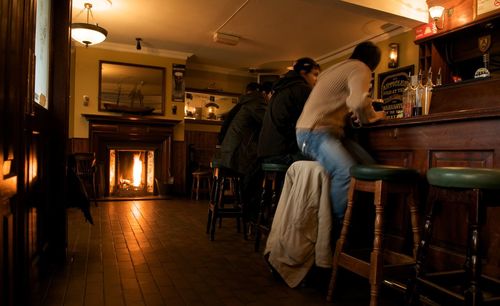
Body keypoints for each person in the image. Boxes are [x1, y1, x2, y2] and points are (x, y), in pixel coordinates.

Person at [295, 41, 386, 223]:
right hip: (314, 133)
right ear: (373, 63)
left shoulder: (334, 69)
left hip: (317, 131)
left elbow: (339, 102)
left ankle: (357, 225)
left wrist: (356, 116)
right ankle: (334, 228)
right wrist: (376, 116)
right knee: (346, 172)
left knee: (370, 167)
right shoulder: (361, 68)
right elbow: (358, 102)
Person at [218, 82, 268, 221]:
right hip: (237, 154)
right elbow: (269, 124)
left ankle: (247, 208)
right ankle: (253, 214)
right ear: (265, 93)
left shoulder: (242, 103)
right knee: (260, 168)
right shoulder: (257, 101)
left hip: (228, 153)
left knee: (258, 165)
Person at [258, 57, 320, 165]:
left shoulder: (282, 88)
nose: (316, 79)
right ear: (303, 73)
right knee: (327, 161)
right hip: (282, 153)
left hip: (267, 151)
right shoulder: (301, 89)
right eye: (315, 74)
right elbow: (316, 119)